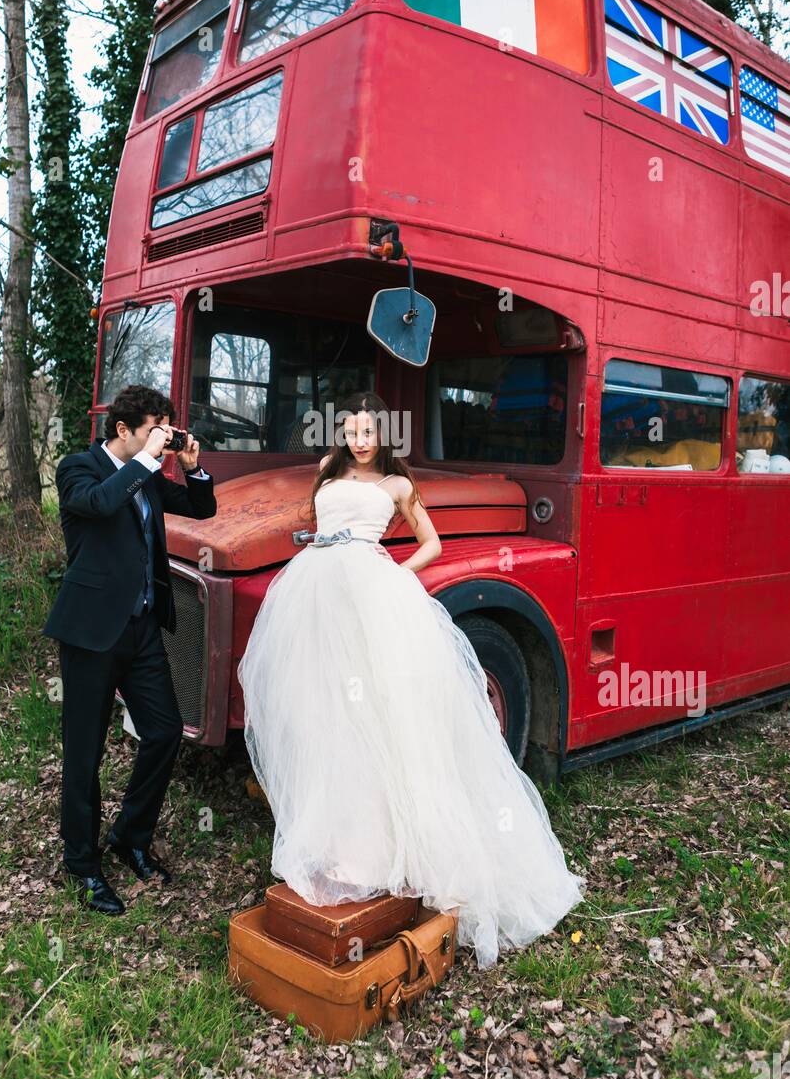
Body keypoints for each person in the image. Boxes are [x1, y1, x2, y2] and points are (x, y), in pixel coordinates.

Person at [237, 391, 586, 970]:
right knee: (324, 710)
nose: (360, 439)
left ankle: (376, 844)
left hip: (370, 593)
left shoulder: (398, 487)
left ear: (384, 436)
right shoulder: (328, 470)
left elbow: (433, 544)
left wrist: (393, 575)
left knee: (375, 711)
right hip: (316, 595)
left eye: (370, 430)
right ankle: (331, 832)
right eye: (352, 430)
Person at [43, 384, 216, 915]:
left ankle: (130, 837)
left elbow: (201, 508)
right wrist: (145, 460)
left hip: (142, 629)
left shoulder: (149, 475)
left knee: (163, 731)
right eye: (152, 431)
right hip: (92, 632)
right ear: (124, 430)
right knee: (85, 750)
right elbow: (98, 504)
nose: (160, 441)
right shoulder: (78, 469)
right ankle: (83, 864)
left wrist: (191, 467)